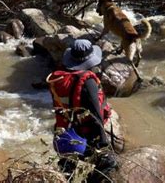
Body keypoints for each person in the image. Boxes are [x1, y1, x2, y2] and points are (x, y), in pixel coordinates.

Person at [46, 39, 117, 180]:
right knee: (108, 166)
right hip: (85, 136)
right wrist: (104, 145)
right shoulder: (88, 82)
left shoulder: (59, 78)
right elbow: (95, 116)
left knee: (69, 172)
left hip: (65, 134)